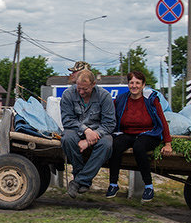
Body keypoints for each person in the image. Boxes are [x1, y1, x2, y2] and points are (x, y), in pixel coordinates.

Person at [106, 69, 173, 203]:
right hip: (127, 133)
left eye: (137, 83)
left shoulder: (151, 100)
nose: (134, 86)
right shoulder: (121, 99)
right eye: (131, 83)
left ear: (143, 85)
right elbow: (109, 115)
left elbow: (162, 120)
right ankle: (113, 183)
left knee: (139, 147)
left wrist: (167, 143)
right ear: (128, 84)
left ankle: (148, 186)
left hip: (148, 133)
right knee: (115, 145)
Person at [59, 64, 115, 198]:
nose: (81, 92)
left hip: (99, 132)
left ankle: (78, 181)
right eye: (79, 88)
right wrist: (86, 131)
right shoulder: (68, 94)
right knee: (67, 139)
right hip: (76, 130)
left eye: (85, 89)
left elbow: (110, 123)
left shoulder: (104, 96)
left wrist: (90, 139)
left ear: (93, 84)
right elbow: (67, 120)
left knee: (107, 144)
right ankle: (81, 176)